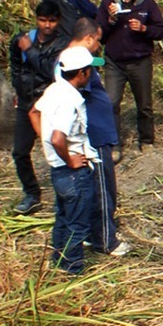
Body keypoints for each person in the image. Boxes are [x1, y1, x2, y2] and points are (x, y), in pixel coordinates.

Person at [31, 46, 103, 275]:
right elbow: (57, 137)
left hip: (57, 171)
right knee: (77, 225)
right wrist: (70, 160)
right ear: (81, 73)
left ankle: (57, 261)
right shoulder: (70, 98)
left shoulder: (53, 90)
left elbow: (33, 112)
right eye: (90, 70)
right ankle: (73, 270)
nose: (91, 74)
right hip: (72, 172)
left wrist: (44, 139)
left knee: (62, 218)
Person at [62, 17, 131, 257]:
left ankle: (94, 234)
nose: (98, 46)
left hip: (96, 133)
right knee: (103, 190)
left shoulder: (73, 61)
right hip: (94, 137)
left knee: (95, 189)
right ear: (89, 38)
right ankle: (105, 240)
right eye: (97, 41)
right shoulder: (76, 67)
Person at [8, 0, 70, 214]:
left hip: (48, 103)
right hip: (26, 103)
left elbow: (50, 70)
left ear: (58, 21)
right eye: (43, 20)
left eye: (52, 21)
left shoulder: (62, 45)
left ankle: (62, 196)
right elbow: (15, 66)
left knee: (54, 150)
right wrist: (18, 90)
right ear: (36, 19)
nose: (47, 25)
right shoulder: (22, 40)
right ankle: (32, 194)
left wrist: (31, 50)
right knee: (20, 151)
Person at [96, 0, 163, 153]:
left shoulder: (147, 3)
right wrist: (111, 20)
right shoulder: (107, 3)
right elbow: (99, 36)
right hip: (114, 63)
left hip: (140, 61)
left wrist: (144, 29)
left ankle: (146, 141)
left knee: (144, 104)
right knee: (111, 103)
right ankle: (115, 144)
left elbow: (160, 31)